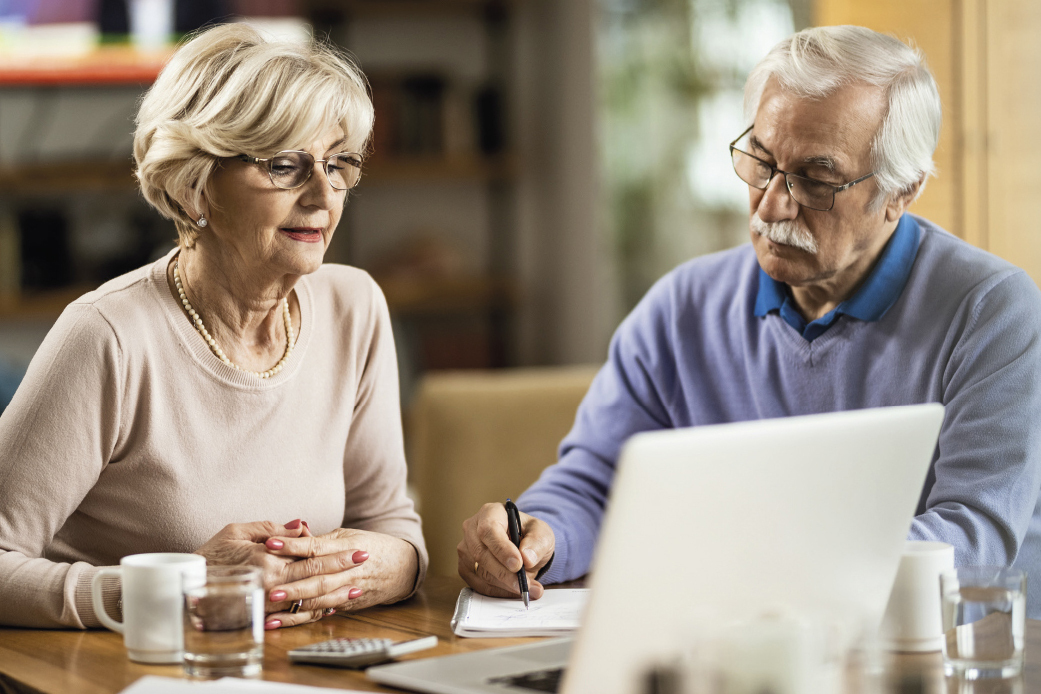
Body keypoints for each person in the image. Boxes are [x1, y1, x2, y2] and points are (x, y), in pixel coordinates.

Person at [458, 25, 1041, 617]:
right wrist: (541, 537)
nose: (771, 205)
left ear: (902, 190)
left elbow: (974, 538)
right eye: (761, 162)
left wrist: (779, 574)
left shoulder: (990, 310)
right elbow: (598, 481)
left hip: (949, 655)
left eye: (816, 180)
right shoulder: (681, 306)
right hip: (747, 648)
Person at [0, 23, 427, 629]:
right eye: (285, 166)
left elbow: (389, 522)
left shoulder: (354, 306)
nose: (323, 196)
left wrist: (391, 566)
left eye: (339, 165)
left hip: (296, 666)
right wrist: (176, 589)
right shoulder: (107, 335)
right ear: (194, 182)